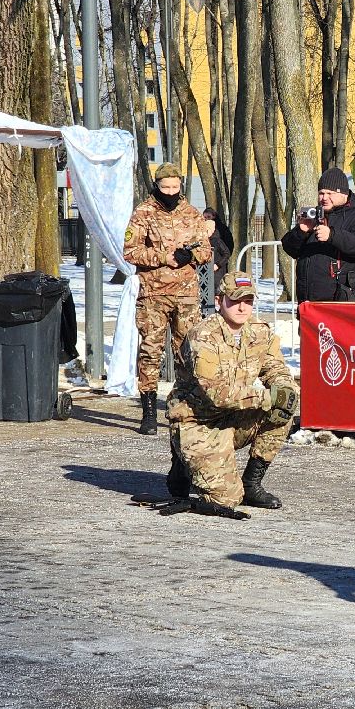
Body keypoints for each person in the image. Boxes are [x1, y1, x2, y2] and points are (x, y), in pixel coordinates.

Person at [162, 272, 299, 520]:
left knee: (284, 411)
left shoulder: (259, 331)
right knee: (225, 500)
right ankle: (182, 462)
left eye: (247, 301)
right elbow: (218, 394)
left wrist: (285, 388)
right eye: (234, 300)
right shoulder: (203, 336)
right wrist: (269, 397)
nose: (241, 307)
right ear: (219, 301)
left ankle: (251, 483)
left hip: (234, 418)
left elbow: (275, 368)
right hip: (198, 422)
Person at [124, 163, 212, 435]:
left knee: (186, 352)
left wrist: (192, 256)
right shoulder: (144, 213)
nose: (171, 192)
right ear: (157, 185)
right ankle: (149, 412)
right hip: (153, 294)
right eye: (166, 188)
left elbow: (207, 249)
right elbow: (130, 251)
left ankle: (183, 406)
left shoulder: (191, 212)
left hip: (185, 295)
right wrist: (163, 257)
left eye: (175, 187)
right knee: (151, 351)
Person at [281, 169, 355, 302]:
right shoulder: (314, 216)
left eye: (329, 193)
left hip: (344, 299)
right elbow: (289, 248)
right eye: (321, 193)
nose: (324, 198)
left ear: (343, 193)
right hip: (310, 302)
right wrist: (301, 231)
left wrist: (332, 235)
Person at [199, 207, 235, 315]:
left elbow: (227, 250)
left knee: (217, 292)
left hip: (218, 267)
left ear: (214, 217)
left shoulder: (221, 232)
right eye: (204, 217)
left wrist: (219, 263)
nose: (206, 219)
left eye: (208, 217)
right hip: (206, 270)